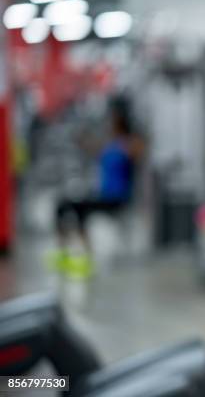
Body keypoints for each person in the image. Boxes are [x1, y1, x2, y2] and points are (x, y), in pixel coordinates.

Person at [51, 99, 144, 278]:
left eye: (113, 119)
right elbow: (92, 148)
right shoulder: (110, 144)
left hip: (116, 198)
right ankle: (66, 251)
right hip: (104, 194)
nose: (110, 122)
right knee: (63, 205)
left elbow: (138, 152)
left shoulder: (129, 144)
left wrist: (128, 143)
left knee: (81, 208)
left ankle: (86, 256)